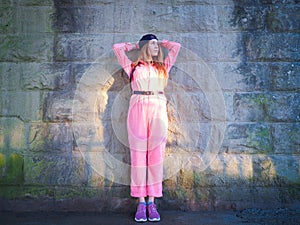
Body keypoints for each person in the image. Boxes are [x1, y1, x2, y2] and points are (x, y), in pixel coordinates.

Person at [113, 34, 180, 222]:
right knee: (139, 155)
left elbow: (176, 47)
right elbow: (117, 48)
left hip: (158, 107)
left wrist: (161, 42)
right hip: (138, 106)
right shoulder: (133, 68)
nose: (156, 46)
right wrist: (136, 44)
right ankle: (141, 202)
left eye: (157, 44)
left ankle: (152, 201)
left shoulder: (163, 67)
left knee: (156, 155)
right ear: (144, 47)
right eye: (152, 44)